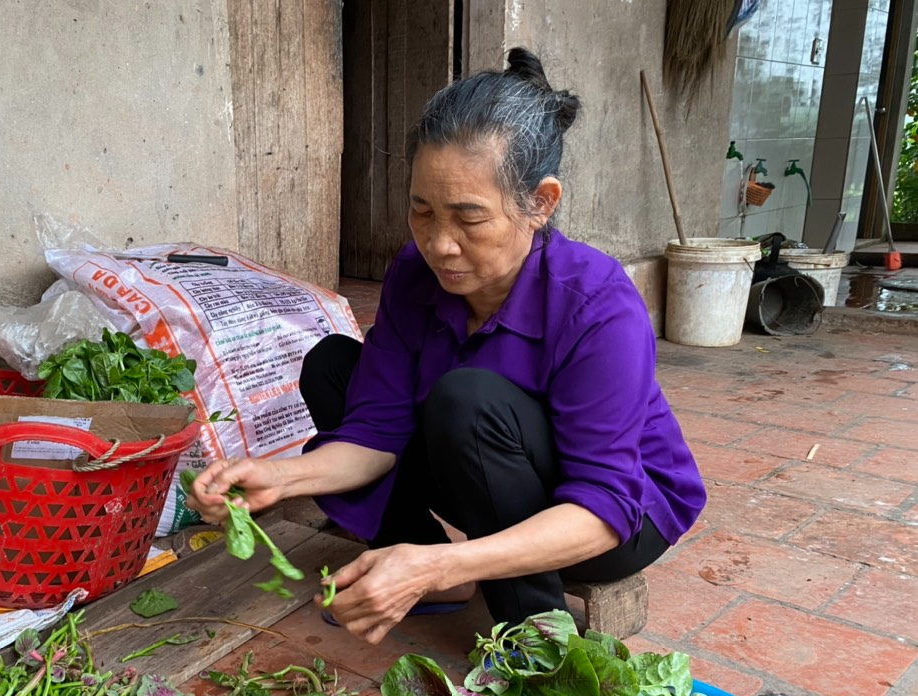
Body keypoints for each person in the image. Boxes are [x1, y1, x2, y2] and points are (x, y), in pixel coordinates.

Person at [185, 48, 706, 646]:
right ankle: (430, 564)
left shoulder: (597, 303)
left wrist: (441, 564)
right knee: (334, 366)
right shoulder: (416, 275)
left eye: (469, 218)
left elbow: (604, 506)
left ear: (540, 203)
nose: (440, 244)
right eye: (421, 211)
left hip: (611, 520)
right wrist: (281, 478)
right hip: (488, 470)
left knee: (468, 401)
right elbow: (376, 432)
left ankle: (532, 641)